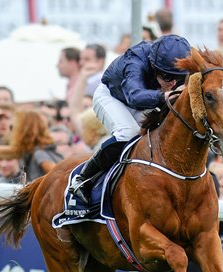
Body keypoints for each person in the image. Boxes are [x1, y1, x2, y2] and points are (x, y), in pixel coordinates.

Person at [69, 34, 191, 203]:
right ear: (154, 66)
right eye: (167, 77)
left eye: (178, 78)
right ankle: (82, 179)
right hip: (113, 97)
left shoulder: (174, 69)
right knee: (128, 133)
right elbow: (134, 96)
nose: (172, 83)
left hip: (145, 102)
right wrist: (166, 95)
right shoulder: (135, 60)